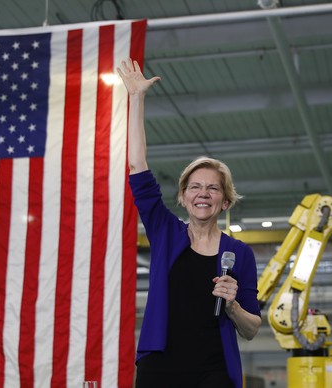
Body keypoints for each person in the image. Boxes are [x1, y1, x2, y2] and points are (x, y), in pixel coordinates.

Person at [117, 59, 262, 388]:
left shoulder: (239, 253)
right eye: (194, 186)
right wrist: (137, 97)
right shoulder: (165, 232)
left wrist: (233, 305)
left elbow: (252, 328)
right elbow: (137, 165)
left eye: (213, 187)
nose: (203, 193)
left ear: (224, 202)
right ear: (183, 197)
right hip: (161, 366)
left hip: (214, 371)